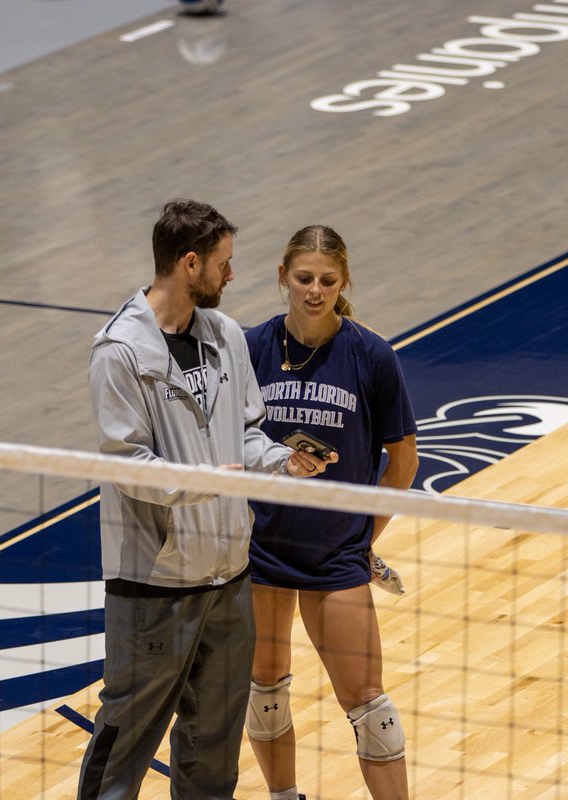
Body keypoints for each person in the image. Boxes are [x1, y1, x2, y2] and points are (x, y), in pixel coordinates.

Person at [78, 200, 335, 800]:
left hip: (228, 576)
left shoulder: (223, 335)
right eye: (223, 263)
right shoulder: (119, 353)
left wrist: (284, 461)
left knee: (214, 748)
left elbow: (246, 438)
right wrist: (211, 481)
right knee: (125, 742)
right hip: (154, 584)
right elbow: (128, 467)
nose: (232, 275)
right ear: (190, 264)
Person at [244, 225, 419, 800]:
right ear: (282, 278)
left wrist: (365, 536)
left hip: (334, 554)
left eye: (326, 280)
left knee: (372, 709)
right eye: (303, 279)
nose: (313, 291)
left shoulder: (371, 355)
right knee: (265, 695)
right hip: (262, 551)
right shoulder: (250, 350)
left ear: (343, 282)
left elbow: (403, 461)